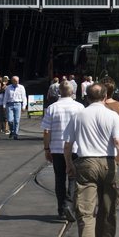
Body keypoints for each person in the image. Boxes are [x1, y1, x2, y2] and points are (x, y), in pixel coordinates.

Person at [63, 83, 119, 237]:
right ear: (105, 97)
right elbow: (118, 141)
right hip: (108, 163)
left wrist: (69, 164)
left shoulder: (78, 116)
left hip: (85, 163)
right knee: (108, 207)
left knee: (85, 211)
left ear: (86, 97)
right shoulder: (112, 116)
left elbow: (68, 145)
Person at [42, 80, 84, 221]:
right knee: (73, 177)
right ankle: (69, 204)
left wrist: (47, 148)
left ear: (59, 92)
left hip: (57, 148)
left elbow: (46, 131)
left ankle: (61, 209)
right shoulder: (80, 107)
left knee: (59, 178)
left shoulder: (52, 108)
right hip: (75, 148)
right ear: (72, 92)